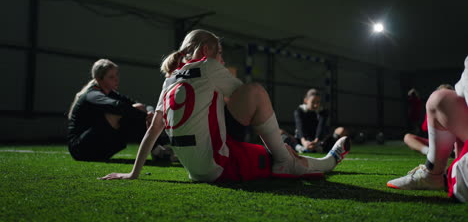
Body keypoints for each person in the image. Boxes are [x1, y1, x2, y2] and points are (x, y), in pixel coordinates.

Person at [100, 29, 351, 182]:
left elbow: (154, 129)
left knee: (277, 148)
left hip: (194, 168)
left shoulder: (169, 79)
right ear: (207, 49)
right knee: (257, 95)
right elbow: (246, 98)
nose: (221, 58)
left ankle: (294, 158)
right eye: (219, 52)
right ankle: (325, 162)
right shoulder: (208, 65)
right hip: (217, 165)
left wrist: (133, 173)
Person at [387, 56, 468, 203]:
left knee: (439, 99)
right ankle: (431, 154)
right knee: (408, 136)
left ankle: (433, 173)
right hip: (440, 143)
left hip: (448, 146)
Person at [67, 59, 155, 161]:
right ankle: (157, 149)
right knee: (118, 113)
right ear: (99, 79)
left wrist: (151, 112)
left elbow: (143, 105)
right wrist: (144, 115)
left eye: (116, 75)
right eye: (111, 77)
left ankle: (158, 149)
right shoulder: (92, 94)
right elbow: (117, 106)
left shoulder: (112, 94)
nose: (116, 79)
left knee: (134, 108)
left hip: (98, 148)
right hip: (80, 149)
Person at [403, 84, 454, 156]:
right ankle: (428, 152)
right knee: (407, 137)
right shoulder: (433, 108)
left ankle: (452, 152)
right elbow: (425, 128)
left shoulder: (456, 109)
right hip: (435, 143)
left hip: (453, 144)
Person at [293, 88, 348, 153]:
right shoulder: (299, 111)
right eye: (313, 102)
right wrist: (304, 141)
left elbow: (321, 127)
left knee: (341, 130)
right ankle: (301, 148)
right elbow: (300, 127)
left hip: (319, 142)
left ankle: (318, 148)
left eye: (318, 102)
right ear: (306, 101)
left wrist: (316, 141)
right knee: (281, 132)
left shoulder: (323, 112)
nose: (315, 105)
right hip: (303, 140)